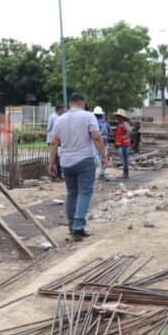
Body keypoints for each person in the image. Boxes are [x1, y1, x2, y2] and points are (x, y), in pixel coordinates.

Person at [48, 93, 107, 240]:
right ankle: (78, 226)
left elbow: (54, 142)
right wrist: (104, 156)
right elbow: (96, 137)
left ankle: (71, 225)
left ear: (70, 105)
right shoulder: (88, 116)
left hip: (66, 162)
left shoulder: (60, 120)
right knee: (85, 193)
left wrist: (51, 163)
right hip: (84, 160)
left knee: (71, 193)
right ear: (83, 104)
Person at [46, 104, 66, 180]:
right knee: (54, 157)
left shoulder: (60, 117)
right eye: (63, 110)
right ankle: (53, 175)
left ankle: (59, 174)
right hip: (52, 139)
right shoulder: (53, 117)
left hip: (59, 140)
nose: (63, 111)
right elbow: (49, 128)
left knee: (59, 157)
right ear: (60, 110)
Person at [113, 109, 132, 179]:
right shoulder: (120, 124)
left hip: (124, 145)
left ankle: (125, 173)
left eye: (118, 116)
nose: (117, 117)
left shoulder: (124, 123)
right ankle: (124, 173)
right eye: (117, 116)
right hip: (121, 144)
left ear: (121, 116)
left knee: (124, 159)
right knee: (123, 159)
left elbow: (130, 130)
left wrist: (125, 137)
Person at [93, 106, 110, 180]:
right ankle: (102, 173)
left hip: (97, 142)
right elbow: (108, 131)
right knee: (104, 157)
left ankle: (93, 173)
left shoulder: (94, 123)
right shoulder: (106, 123)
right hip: (105, 142)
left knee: (95, 157)